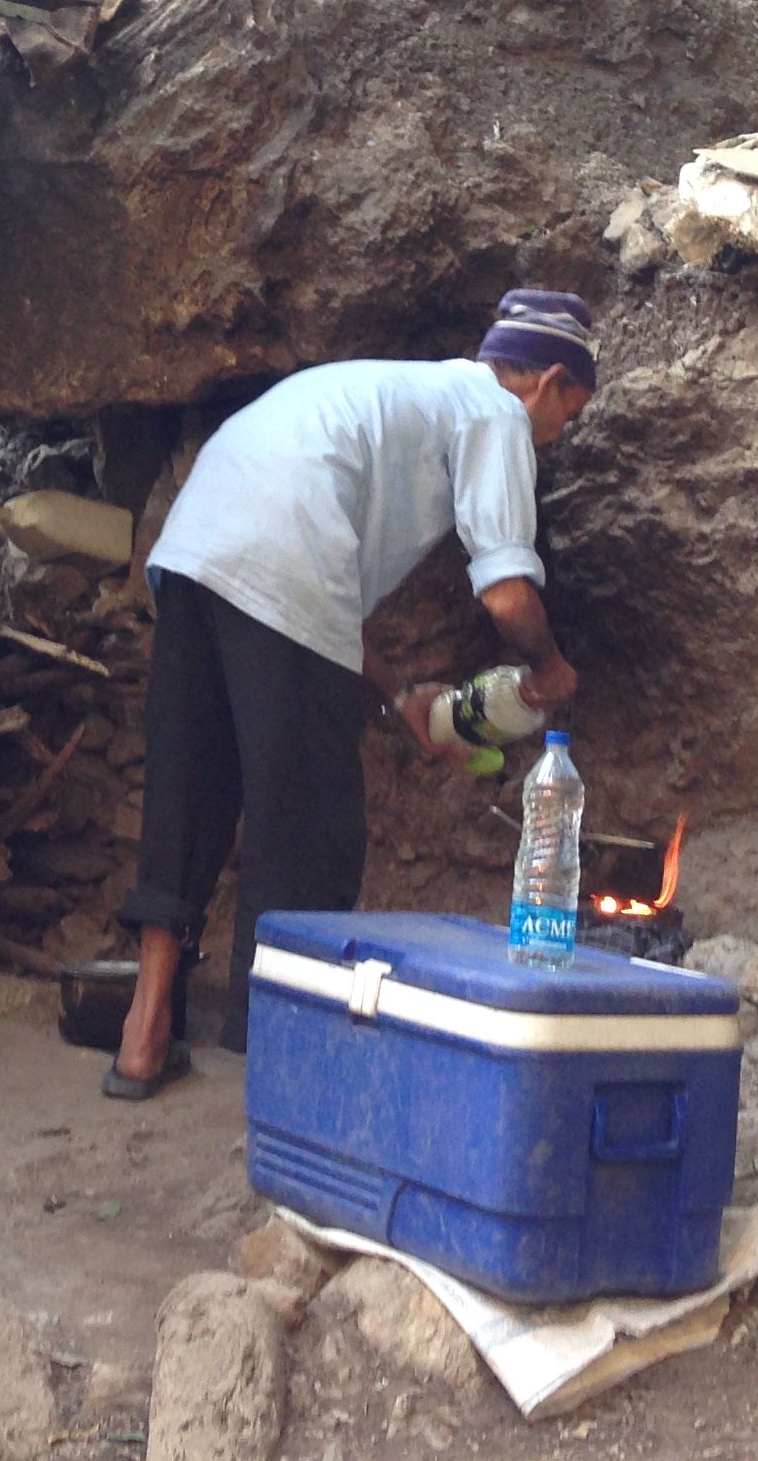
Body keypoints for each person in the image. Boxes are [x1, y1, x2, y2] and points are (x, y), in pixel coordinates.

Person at [104, 289, 599, 1100]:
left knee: (189, 792)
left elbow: (307, 606)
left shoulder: (397, 393)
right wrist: (550, 671)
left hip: (196, 548)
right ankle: (285, 1066)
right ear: (546, 381)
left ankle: (144, 1030)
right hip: (279, 562)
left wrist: (402, 693)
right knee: (309, 829)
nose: (557, 434)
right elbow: (506, 591)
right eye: (569, 414)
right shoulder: (497, 415)